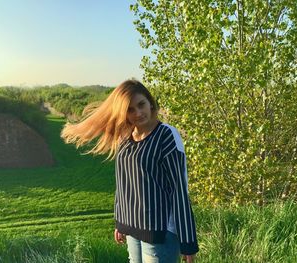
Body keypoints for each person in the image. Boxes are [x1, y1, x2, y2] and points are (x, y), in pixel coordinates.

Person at [61, 80, 199, 263]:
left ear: (150, 102)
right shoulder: (125, 138)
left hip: (161, 232)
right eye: (130, 109)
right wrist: (121, 222)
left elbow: (179, 190)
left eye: (141, 105)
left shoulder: (167, 135)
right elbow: (123, 183)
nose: (138, 113)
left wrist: (188, 241)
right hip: (133, 229)